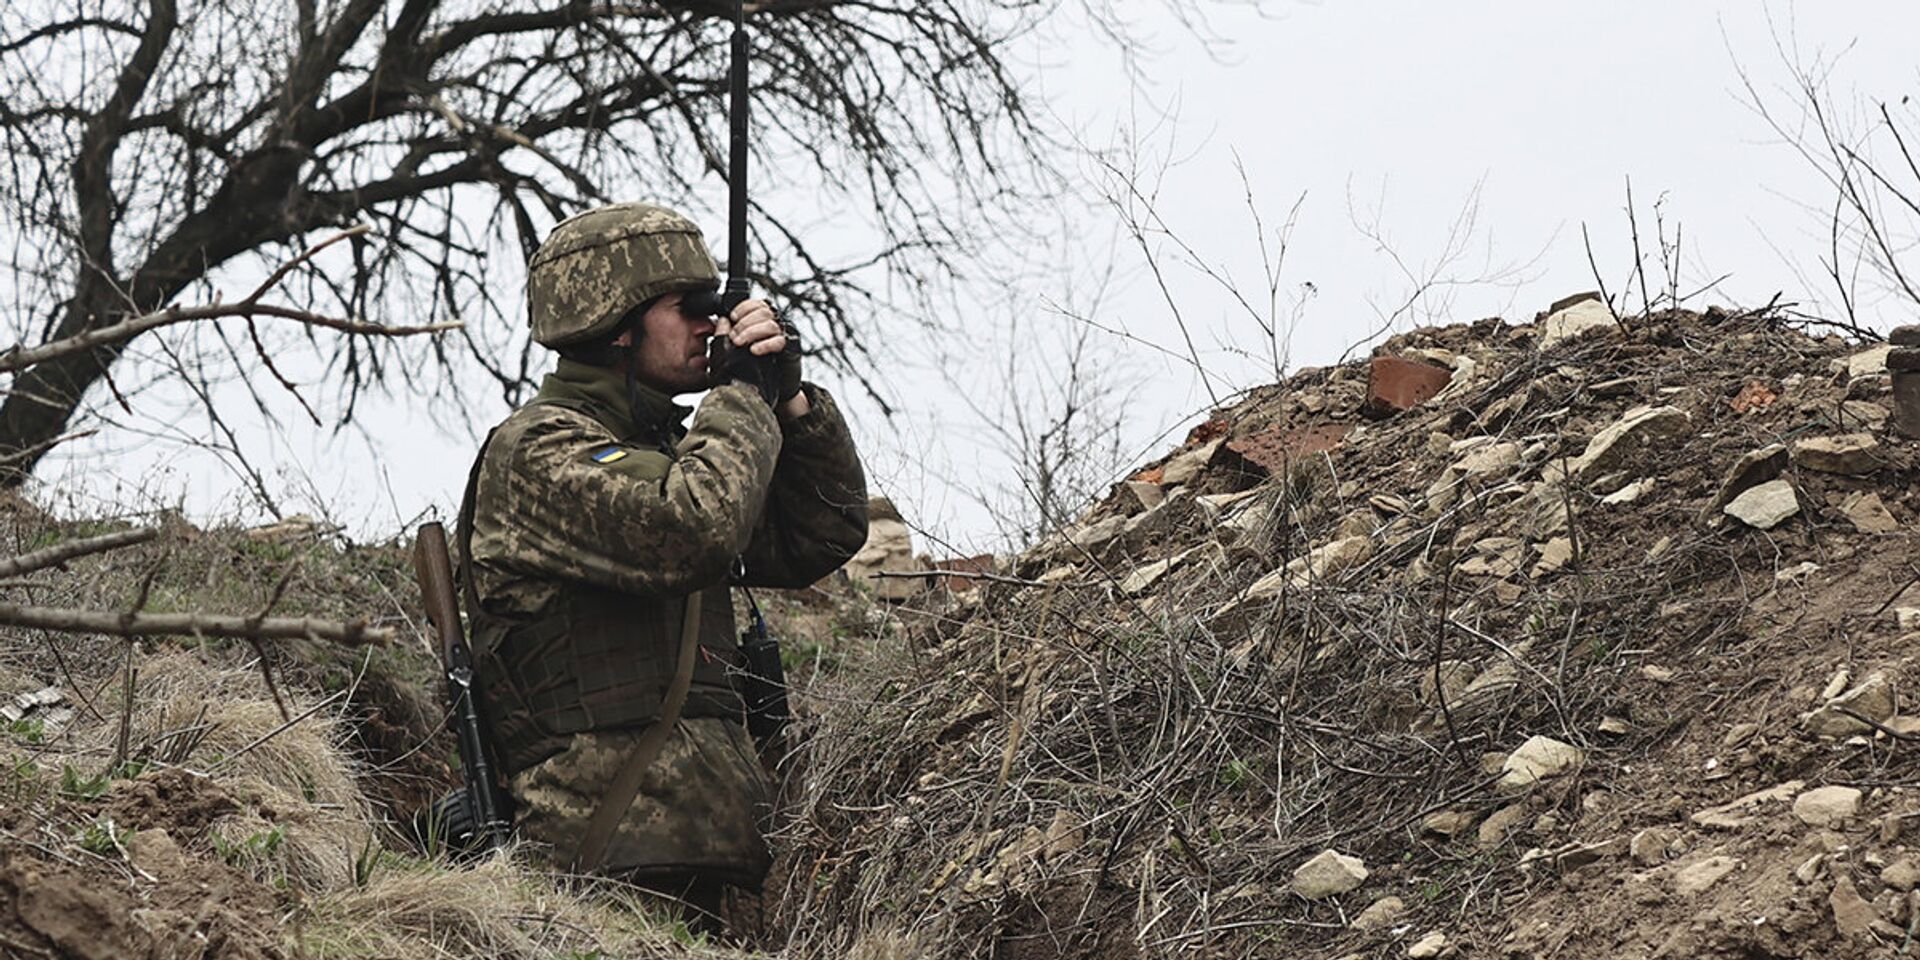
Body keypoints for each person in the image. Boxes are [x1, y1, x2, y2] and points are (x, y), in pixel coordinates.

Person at [456, 202, 869, 921]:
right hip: (592, 869)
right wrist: (741, 395)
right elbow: (692, 529)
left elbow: (823, 534)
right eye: (690, 308)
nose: (712, 325)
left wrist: (791, 400)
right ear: (616, 325)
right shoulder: (537, 452)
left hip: (707, 856)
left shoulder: (676, 457)